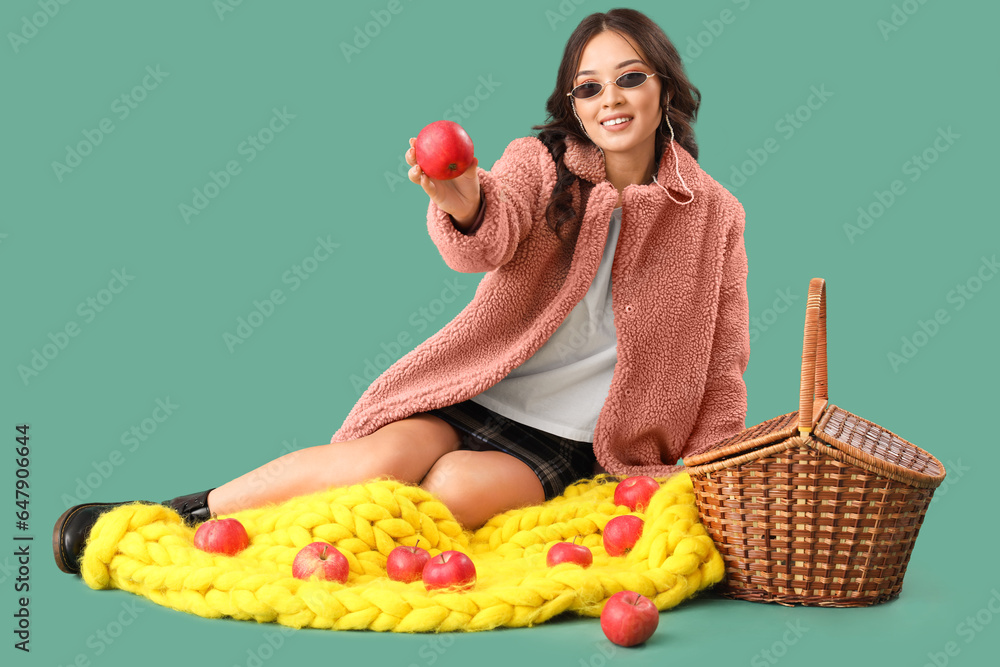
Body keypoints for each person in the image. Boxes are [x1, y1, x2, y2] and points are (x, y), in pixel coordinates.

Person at [52, 8, 750, 576]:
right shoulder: (541, 163)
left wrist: (714, 481)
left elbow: (722, 366)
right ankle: (178, 515)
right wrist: (464, 198)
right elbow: (489, 233)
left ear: (664, 86)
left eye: (629, 78)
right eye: (589, 87)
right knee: (377, 461)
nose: (611, 99)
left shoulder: (714, 214)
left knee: (451, 490)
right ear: (572, 104)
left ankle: (307, 542)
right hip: (480, 391)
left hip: (577, 440)